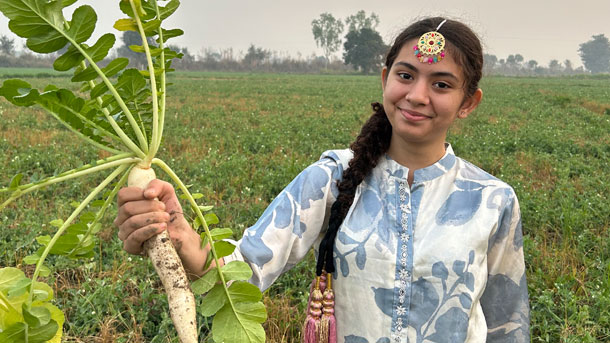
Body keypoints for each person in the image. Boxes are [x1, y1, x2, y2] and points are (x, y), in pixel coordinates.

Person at [114, 17, 530, 343]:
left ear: (468, 102)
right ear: (385, 78)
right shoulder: (331, 177)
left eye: (441, 84)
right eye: (406, 75)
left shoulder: (492, 200)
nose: (418, 95)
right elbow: (244, 271)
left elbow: (507, 325)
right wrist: (179, 233)